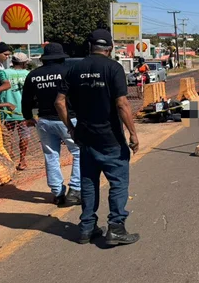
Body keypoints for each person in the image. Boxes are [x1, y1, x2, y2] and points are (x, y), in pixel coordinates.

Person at [55, 29, 140, 246]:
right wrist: (133, 133)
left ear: (89, 46)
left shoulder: (73, 68)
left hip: (85, 136)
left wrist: (70, 128)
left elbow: (59, 102)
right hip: (110, 138)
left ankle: (86, 228)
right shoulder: (113, 68)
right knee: (118, 182)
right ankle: (116, 227)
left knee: (89, 182)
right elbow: (122, 103)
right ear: (110, 48)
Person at [22, 43, 81, 206]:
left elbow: (26, 100)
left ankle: (57, 193)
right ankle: (75, 189)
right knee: (79, 151)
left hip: (44, 121)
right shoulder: (68, 72)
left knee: (51, 156)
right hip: (68, 119)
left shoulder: (33, 75)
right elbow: (78, 96)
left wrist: (28, 117)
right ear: (62, 58)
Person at [3, 53, 31, 171]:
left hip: (6, 111)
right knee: (24, 136)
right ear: (24, 63)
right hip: (23, 112)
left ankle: (8, 161)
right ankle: (22, 160)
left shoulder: (4, 72)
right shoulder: (28, 74)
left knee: (6, 137)